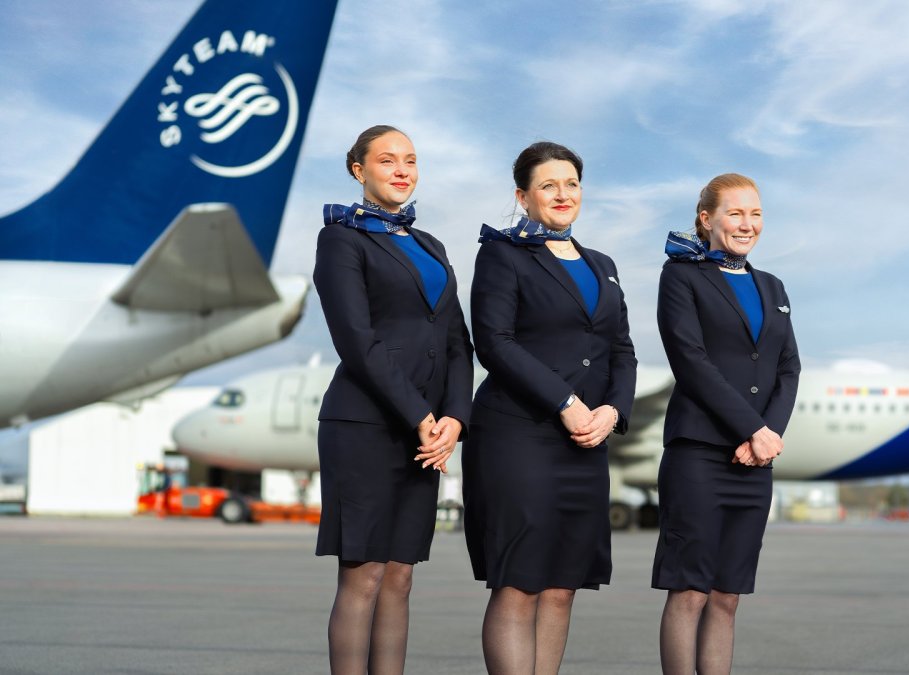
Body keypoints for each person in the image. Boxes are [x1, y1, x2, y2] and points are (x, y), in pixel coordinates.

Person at [463, 141, 637, 674]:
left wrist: (612, 412)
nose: (563, 194)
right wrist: (565, 402)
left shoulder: (601, 264)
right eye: (548, 185)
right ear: (523, 196)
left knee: (562, 586)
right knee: (520, 582)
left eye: (571, 184)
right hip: (519, 433)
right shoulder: (503, 253)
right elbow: (494, 340)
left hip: (584, 441)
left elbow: (621, 349)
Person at [312, 125, 474, 674]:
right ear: (359, 170)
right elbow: (357, 341)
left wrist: (454, 416)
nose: (402, 169)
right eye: (387, 160)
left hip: (425, 434)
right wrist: (421, 415)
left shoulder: (432, 246)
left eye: (410, 159)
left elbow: (457, 341)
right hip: (364, 425)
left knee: (401, 576)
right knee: (365, 575)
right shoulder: (341, 238)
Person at [653, 173, 800, 675]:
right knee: (690, 593)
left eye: (755, 214)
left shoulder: (772, 286)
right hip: (699, 454)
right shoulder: (682, 276)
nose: (747, 224)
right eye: (735, 213)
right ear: (706, 219)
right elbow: (690, 360)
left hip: (755, 463)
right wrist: (749, 430)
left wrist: (767, 436)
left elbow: (788, 368)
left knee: (726, 598)